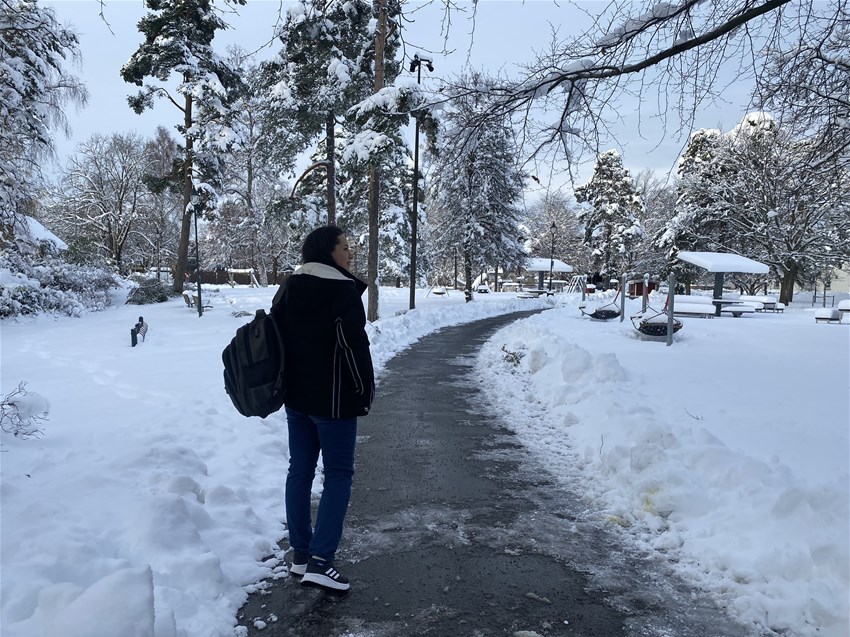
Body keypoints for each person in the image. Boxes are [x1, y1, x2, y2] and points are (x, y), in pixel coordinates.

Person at [271, 225, 374, 592]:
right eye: (344, 247)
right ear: (328, 252)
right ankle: (321, 561)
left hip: (297, 400)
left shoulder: (288, 288)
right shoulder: (341, 290)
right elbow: (353, 347)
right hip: (334, 401)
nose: (350, 253)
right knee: (338, 475)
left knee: (299, 471)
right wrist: (364, 391)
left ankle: (301, 555)